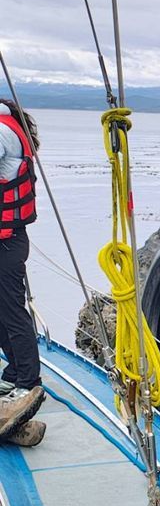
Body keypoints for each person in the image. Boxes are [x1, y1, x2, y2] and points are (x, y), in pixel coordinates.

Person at [0, 99, 45, 447]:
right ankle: (14, 372)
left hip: (7, 242)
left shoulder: (2, 132)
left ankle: (27, 380)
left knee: (12, 311)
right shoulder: (10, 128)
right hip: (10, 239)